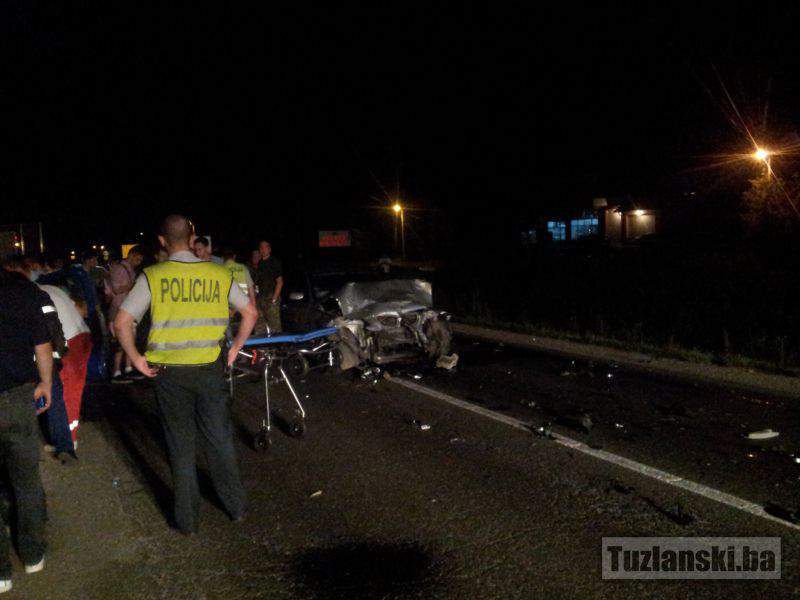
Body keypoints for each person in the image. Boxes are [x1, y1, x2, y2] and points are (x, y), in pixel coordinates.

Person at [114, 215, 257, 535]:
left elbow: (122, 322)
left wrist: (135, 358)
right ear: (193, 237)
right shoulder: (219, 274)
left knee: (180, 446)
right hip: (209, 370)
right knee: (219, 440)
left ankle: (188, 521)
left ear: (162, 241)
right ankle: (235, 507)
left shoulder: (152, 276)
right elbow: (250, 312)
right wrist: (234, 349)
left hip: (169, 374)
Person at [0, 268, 53, 588]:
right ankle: (32, 554)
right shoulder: (21, 292)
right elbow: (42, 345)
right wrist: (45, 382)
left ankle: (1, 572)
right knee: (26, 480)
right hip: (18, 398)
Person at [108, 245, 144, 382]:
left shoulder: (129, 269)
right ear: (131, 255)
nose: (138, 262)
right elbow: (116, 289)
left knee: (130, 341)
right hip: (118, 310)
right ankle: (117, 372)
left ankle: (128, 369)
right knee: (119, 344)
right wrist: (132, 286)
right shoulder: (119, 269)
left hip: (128, 310)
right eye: (138, 259)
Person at [253, 240, 283, 334]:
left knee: (274, 325)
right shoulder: (260, 263)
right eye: (260, 247)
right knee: (259, 323)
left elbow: (280, 282)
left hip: (271, 296)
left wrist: (274, 299)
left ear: (269, 249)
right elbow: (257, 282)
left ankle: (277, 346)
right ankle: (262, 346)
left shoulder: (274, 262)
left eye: (264, 247)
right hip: (261, 297)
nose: (262, 249)